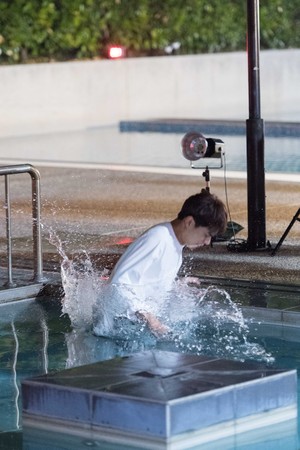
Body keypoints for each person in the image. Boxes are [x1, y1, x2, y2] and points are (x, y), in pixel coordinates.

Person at [93, 189, 227, 338]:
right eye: (206, 235)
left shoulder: (175, 245)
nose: (207, 242)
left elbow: (146, 283)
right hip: (114, 330)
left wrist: (178, 287)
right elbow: (118, 285)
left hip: (130, 328)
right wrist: (151, 319)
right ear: (189, 222)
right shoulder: (158, 238)